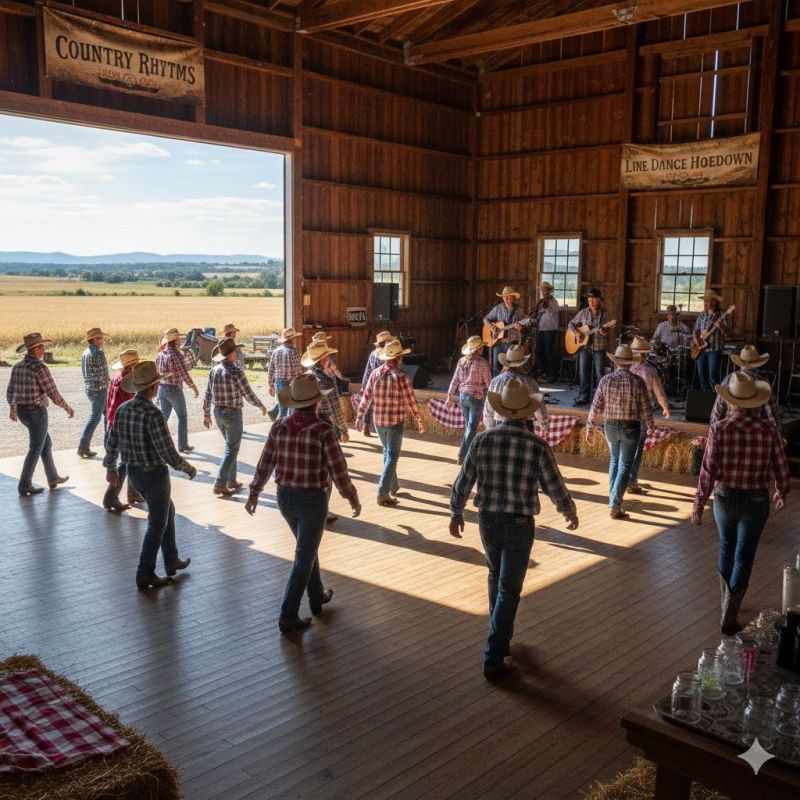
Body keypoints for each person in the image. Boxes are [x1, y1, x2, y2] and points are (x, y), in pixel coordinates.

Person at [449, 378, 578, 680]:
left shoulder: (482, 440)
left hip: (488, 520)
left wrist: (456, 512)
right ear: (529, 413)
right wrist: (567, 510)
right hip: (519, 524)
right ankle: (494, 655)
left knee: (496, 577)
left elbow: (463, 481)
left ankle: (502, 639)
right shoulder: (537, 445)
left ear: (502, 410)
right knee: (509, 588)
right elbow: (553, 485)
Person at [245, 373, 361, 634]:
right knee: (304, 556)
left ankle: (317, 596)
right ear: (317, 403)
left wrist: (254, 492)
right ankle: (288, 615)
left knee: (307, 548)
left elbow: (266, 462)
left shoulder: (279, 426)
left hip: (284, 497)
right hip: (312, 500)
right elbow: (338, 469)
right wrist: (351, 496)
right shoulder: (323, 430)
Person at [693, 373, 790, 635]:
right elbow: (781, 468)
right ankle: (730, 611)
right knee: (744, 556)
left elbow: (708, 469)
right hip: (756, 500)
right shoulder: (768, 431)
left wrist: (699, 502)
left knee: (726, 546)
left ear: (731, 402)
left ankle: (727, 603)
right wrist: (781, 491)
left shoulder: (719, 428)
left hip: (724, 498)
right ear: (756, 403)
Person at [103, 361, 197, 590]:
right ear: (154, 388)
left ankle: (172, 559)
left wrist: (110, 467)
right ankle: (145, 573)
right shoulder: (153, 414)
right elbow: (167, 451)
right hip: (154, 475)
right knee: (157, 523)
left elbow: (112, 441)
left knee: (168, 511)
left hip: (134, 475)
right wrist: (188, 468)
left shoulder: (123, 410)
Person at [355, 339, 426, 506]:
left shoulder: (375, 374)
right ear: (399, 357)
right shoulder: (402, 377)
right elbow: (411, 401)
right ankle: (382, 491)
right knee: (392, 455)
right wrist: (419, 418)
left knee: (387, 453)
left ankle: (393, 486)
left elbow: (366, 397)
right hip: (395, 422)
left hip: (378, 421)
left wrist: (359, 416)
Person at [587, 344, 655, 519]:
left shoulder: (605, 380)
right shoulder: (637, 381)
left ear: (616, 362)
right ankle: (615, 504)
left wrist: (589, 427)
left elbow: (595, 406)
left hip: (610, 426)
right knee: (625, 465)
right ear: (631, 363)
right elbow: (646, 408)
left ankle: (613, 501)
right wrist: (651, 426)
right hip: (630, 427)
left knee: (615, 461)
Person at [6, 332, 72, 496]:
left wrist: (13, 407)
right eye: (41, 347)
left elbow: (11, 390)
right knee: (36, 447)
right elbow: (52, 392)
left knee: (45, 443)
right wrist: (66, 407)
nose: (44, 349)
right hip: (37, 413)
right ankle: (24, 484)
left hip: (23, 412)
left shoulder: (18, 366)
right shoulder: (40, 367)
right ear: (34, 349)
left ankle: (52, 477)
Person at [203, 338, 267, 496]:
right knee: (232, 449)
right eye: (236, 352)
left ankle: (232, 480)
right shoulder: (236, 372)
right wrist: (260, 405)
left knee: (230, 446)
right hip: (232, 413)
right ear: (231, 354)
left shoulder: (214, 370)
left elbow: (208, 393)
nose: (237, 354)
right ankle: (220, 483)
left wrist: (206, 413)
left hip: (217, 412)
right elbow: (248, 393)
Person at [103, 348, 144, 512]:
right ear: (133, 364)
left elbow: (110, 404)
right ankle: (111, 497)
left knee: (130, 460)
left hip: (113, 421)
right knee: (126, 462)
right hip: (124, 425)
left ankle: (133, 494)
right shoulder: (129, 382)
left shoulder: (116, 378)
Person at [627, 336, 670, 495]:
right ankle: (631, 481)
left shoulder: (626, 368)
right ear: (645, 354)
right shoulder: (651, 371)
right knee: (637, 448)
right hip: (643, 414)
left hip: (626, 413)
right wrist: (665, 407)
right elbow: (659, 392)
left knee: (625, 448)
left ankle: (622, 480)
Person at [709, 345, 780, 431]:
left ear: (740, 363)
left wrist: (713, 430)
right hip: (756, 431)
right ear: (758, 364)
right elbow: (772, 412)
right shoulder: (764, 383)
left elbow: (717, 410)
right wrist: (777, 434)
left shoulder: (728, 379)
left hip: (729, 429)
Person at [482, 344, 549, 435]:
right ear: (523, 363)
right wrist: (545, 425)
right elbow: (538, 406)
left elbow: (489, 407)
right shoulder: (530, 381)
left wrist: (489, 428)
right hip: (524, 424)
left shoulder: (496, 381)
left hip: (500, 423)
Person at [447, 335, 492, 465]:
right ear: (478, 349)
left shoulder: (461, 361)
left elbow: (455, 379)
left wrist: (450, 395)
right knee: (471, 427)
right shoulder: (483, 364)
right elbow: (489, 383)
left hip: (463, 396)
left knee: (469, 427)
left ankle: (464, 455)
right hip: (476, 397)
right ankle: (463, 455)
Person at [567, 288, 614, 405]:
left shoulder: (605, 313)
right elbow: (571, 324)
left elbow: (606, 331)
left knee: (600, 373)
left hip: (599, 346)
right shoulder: (583, 312)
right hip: (584, 347)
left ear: (598, 300)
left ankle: (601, 398)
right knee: (583, 372)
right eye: (589, 299)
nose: (590, 301)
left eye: (593, 299)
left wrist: (604, 330)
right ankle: (584, 396)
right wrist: (577, 333)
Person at [155, 327, 199, 453]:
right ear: (174, 340)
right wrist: (193, 387)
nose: (180, 340)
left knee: (163, 418)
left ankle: (156, 443)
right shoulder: (176, 355)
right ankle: (182, 445)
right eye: (178, 338)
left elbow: (157, 373)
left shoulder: (160, 354)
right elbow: (184, 373)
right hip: (174, 390)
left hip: (162, 389)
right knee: (182, 417)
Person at [77, 326, 110, 458]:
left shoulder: (85, 352)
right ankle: (83, 446)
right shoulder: (98, 353)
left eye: (101, 337)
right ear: (92, 339)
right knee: (96, 417)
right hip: (99, 389)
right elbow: (103, 374)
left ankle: (109, 444)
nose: (100, 340)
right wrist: (110, 384)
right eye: (98, 338)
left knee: (108, 415)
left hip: (90, 388)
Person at [483, 286, 526, 376]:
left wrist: (520, 326)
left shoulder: (519, 309)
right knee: (496, 366)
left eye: (510, 297)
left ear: (513, 298)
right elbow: (485, 319)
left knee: (511, 366)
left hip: (512, 342)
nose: (508, 300)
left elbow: (523, 324)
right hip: (498, 342)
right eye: (506, 297)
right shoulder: (498, 308)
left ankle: (509, 387)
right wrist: (491, 327)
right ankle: (496, 387)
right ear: (503, 298)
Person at [360, 330, 393, 437]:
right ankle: (382, 428)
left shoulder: (372, 353)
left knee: (369, 404)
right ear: (385, 343)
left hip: (372, 382)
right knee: (382, 405)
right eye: (389, 341)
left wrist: (364, 386)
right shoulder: (385, 354)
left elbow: (368, 370)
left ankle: (366, 427)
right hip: (382, 384)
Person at [692, 291, 729, 391]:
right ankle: (705, 397)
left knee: (713, 376)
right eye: (706, 301)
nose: (708, 303)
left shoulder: (722, 315)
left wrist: (720, 326)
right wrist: (696, 341)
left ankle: (714, 399)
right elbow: (695, 330)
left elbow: (728, 333)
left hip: (714, 350)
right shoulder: (702, 315)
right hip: (701, 350)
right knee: (701, 375)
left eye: (711, 301)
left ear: (716, 302)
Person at [267, 327, 303, 419]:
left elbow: (271, 369)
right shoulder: (294, 352)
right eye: (294, 338)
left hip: (279, 382)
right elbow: (298, 370)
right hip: (292, 383)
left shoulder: (276, 351)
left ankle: (279, 430)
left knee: (282, 410)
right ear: (291, 339)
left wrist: (270, 385)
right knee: (292, 410)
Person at [532, 281, 560, 382]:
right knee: (540, 351)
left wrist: (546, 307)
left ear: (549, 291)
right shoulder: (540, 302)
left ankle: (551, 375)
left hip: (550, 329)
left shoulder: (554, 302)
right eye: (542, 290)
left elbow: (552, 313)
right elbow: (538, 315)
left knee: (549, 352)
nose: (543, 291)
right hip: (542, 329)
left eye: (545, 290)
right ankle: (544, 372)